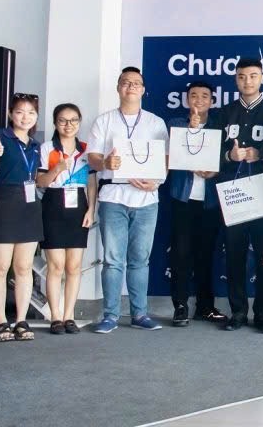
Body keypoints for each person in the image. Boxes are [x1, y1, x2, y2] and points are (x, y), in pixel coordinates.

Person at [87, 67, 169, 333]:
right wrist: (105, 163)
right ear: (118, 88)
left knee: (140, 259)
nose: (131, 86)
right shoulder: (104, 121)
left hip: (147, 198)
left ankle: (139, 314)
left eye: (136, 83)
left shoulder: (155, 123)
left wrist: (157, 181)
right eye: (125, 82)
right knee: (113, 259)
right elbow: (92, 157)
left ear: (143, 89)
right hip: (113, 196)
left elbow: (165, 159)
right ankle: (110, 315)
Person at [217, 57, 263, 331]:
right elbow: (210, 153)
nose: (248, 81)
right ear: (236, 79)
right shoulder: (225, 112)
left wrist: (261, 153)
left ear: (262, 78)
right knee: (234, 254)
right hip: (233, 193)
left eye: (253, 76)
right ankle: (238, 312)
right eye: (242, 76)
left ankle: (262, 312)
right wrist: (229, 156)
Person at [166, 82, 227, 327]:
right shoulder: (176, 124)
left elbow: (225, 160)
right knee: (180, 254)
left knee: (206, 254)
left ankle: (205, 307)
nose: (199, 100)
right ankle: (180, 306)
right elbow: (173, 156)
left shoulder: (219, 126)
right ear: (186, 100)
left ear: (212, 101)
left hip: (210, 201)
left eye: (204, 96)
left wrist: (215, 171)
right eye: (193, 96)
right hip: (183, 198)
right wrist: (191, 130)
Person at [0, 93, 43, 342]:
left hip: (29, 206)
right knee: (0, 267)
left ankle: (21, 320)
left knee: (24, 267)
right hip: (4, 205)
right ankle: (1, 322)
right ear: (11, 114)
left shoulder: (36, 144)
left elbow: (36, 177)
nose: (25, 117)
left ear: (36, 116)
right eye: (19, 112)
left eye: (31, 112)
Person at [36, 103, 96, 335]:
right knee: (56, 266)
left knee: (74, 266)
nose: (68, 125)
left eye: (73, 120)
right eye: (62, 120)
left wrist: (91, 210)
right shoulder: (47, 148)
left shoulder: (86, 150)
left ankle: (69, 315)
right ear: (55, 123)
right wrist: (58, 169)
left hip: (79, 207)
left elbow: (92, 183)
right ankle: (55, 316)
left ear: (79, 122)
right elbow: (41, 182)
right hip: (53, 204)